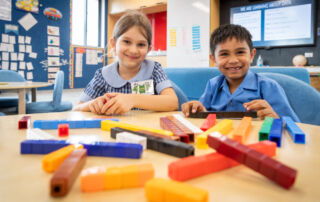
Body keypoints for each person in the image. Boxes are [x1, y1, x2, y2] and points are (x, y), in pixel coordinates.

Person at [182, 24, 300, 122]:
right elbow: (203, 113)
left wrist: (275, 119)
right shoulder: (213, 85)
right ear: (214, 60)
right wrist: (196, 109)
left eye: (240, 52)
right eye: (224, 54)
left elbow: (295, 125)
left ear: (252, 55)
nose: (233, 60)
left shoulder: (268, 86)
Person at [73, 11, 178, 115]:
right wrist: (92, 103)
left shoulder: (154, 69)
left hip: (147, 129)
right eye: (127, 42)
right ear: (113, 44)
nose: (133, 50)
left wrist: (132, 100)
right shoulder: (103, 75)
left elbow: (173, 102)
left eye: (141, 44)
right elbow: (77, 108)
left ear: (148, 49)